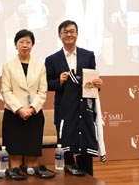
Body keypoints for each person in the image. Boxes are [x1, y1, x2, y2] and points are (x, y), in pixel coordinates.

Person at [45, 20, 105, 176]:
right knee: (66, 152)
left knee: (85, 151)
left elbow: (92, 83)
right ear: (59, 35)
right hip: (64, 112)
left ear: (77, 34)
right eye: (65, 32)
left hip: (84, 110)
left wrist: (98, 84)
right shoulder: (51, 59)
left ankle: (88, 179)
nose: (69, 34)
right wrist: (59, 81)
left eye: (72, 31)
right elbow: (46, 84)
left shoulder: (88, 55)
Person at [1, 29, 47, 168]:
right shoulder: (8, 66)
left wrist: (32, 109)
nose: (25, 45)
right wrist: (20, 109)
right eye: (21, 42)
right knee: (14, 155)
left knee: (32, 156)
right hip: (13, 115)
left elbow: (42, 91)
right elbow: (6, 91)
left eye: (28, 42)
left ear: (32, 45)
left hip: (34, 115)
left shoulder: (40, 66)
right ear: (16, 45)